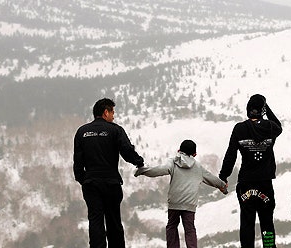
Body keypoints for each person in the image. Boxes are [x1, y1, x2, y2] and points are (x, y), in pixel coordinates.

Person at [73, 98, 145, 248]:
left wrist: (84, 179)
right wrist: (139, 162)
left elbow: (78, 161)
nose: (114, 116)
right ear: (106, 112)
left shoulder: (82, 132)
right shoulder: (115, 130)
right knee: (113, 221)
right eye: (113, 112)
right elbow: (127, 151)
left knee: (95, 221)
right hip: (111, 183)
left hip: (91, 183)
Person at [134, 139, 228, 248]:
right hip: (190, 204)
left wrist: (143, 170)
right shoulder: (198, 167)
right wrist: (222, 186)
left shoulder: (172, 162)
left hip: (175, 202)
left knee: (172, 226)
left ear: (179, 150)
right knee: (190, 229)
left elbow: (158, 170)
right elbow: (212, 179)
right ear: (194, 154)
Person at [219, 94, 282, 248]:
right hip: (265, 183)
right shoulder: (269, 127)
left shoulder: (239, 128)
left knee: (247, 223)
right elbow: (279, 126)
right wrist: (266, 110)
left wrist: (223, 176)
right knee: (267, 223)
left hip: (246, 183)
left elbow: (231, 154)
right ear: (263, 110)